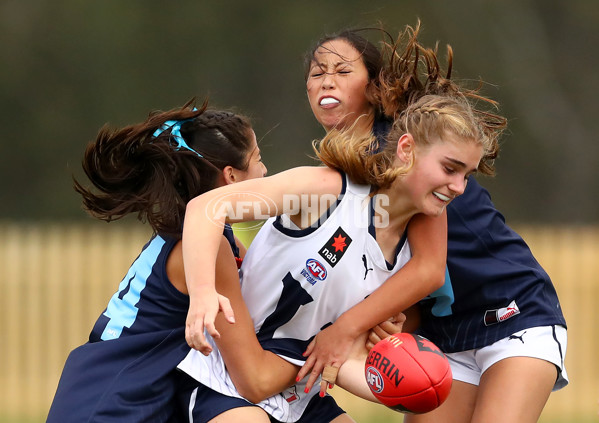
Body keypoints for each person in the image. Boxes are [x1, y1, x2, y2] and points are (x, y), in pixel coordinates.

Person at [178, 27, 505, 420]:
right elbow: (205, 209)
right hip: (225, 385)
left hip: (299, 395)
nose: (459, 187)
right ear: (406, 150)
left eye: (466, 175)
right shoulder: (324, 189)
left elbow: (335, 355)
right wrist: (201, 295)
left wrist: (397, 381)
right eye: (452, 170)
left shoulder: (407, 256)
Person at [302, 25, 568, 423]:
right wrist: (392, 316)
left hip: (512, 312)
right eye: (317, 71)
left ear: (374, 88)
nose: (327, 80)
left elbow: (427, 269)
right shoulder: (340, 169)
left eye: (342, 71)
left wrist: (344, 330)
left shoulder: (399, 151)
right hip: (443, 334)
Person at [46, 100, 267, 423]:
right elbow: (253, 375)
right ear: (231, 176)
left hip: (97, 390)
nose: (265, 171)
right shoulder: (210, 247)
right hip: (112, 403)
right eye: (258, 159)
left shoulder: (195, 235)